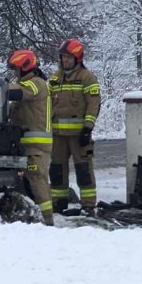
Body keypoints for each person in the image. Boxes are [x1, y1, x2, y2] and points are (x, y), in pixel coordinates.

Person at [48, 39, 101, 213]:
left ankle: (88, 204)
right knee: (57, 169)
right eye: (63, 57)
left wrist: (88, 127)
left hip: (79, 135)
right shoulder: (55, 78)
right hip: (57, 135)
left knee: (83, 169)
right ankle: (59, 201)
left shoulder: (87, 78)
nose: (65, 60)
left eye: (69, 57)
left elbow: (93, 103)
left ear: (77, 58)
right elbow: (46, 102)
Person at [6, 49, 54, 225]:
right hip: (28, 144)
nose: (15, 73)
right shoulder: (26, 84)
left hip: (37, 145)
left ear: (25, 67)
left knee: (37, 180)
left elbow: (17, 93)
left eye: (16, 69)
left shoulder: (36, 84)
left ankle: (47, 221)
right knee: (31, 180)